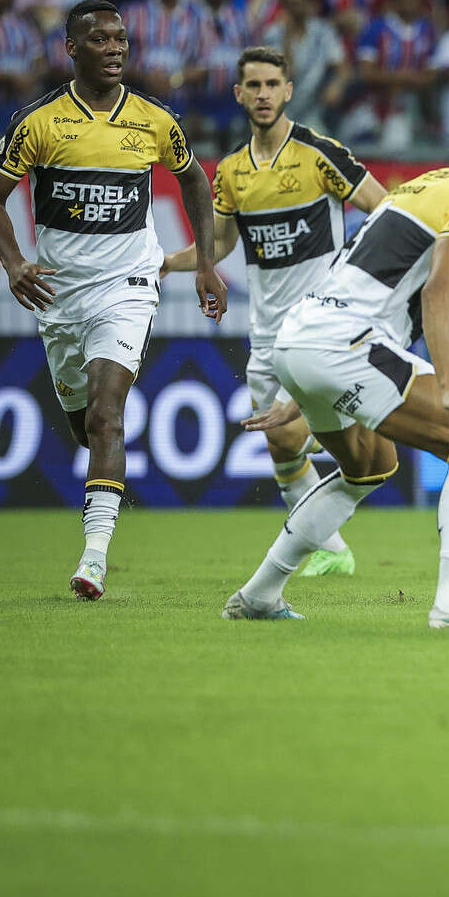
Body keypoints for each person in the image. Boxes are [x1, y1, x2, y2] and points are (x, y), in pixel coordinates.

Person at [226, 105, 449, 629]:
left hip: (302, 336)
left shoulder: (422, 186)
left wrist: (299, 386)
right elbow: (443, 286)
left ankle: (258, 596)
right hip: (346, 343)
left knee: (369, 467)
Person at [0, 0, 227, 601]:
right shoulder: (37, 123)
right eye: (101, 41)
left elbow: (194, 179)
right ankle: (106, 488)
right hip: (59, 292)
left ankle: (93, 559)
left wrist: (207, 263)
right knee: (85, 424)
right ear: (72, 48)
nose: (115, 50)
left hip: (129, 282)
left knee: (108, 413)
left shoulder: (154, 120)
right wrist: (14, 263)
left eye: (121, 40)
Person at [159, 47, 390, 575]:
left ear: (289, 90)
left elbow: (386, 214)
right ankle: (330, 550)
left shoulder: (320, 153)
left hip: (323, 328)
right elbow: (216, 247)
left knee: (298, 436)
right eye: (253, 86)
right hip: (266, 335)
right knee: (282, 447)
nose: (262, 94)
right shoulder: (233, 171)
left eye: (272, 84)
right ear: (238, 94)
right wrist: (167, 264)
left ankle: (320, 536)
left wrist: (361, 280)